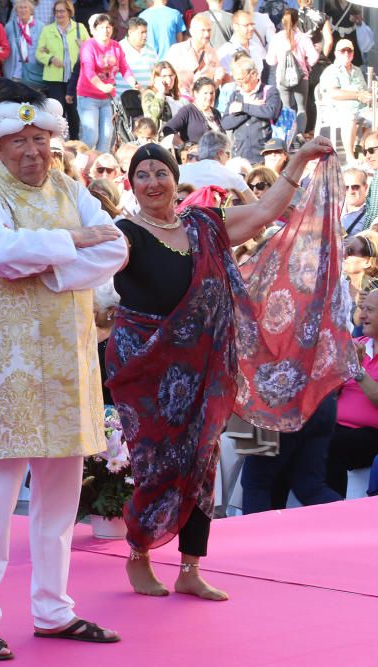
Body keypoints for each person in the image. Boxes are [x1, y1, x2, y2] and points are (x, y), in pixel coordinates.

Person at [106, 137, 345, 603]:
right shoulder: (122, 232)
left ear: (177, 180)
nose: (153, 182)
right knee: (153, 463)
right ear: (131, 184)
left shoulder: (203, 225)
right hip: (146, 368)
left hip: (204, 363)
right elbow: (88, 267)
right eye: (143, 174)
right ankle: (139, 553)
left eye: (161, 172)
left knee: (204, 460)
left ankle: (190, 568)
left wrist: (296, 162)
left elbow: (263, 212)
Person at [0, 78, 126, 661]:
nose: (32, 150)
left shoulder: (69, 187)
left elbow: (116, 249)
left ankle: (54, 609)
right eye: (20, 140)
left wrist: (49, 268)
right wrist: (72, 242)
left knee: (61, 496)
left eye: (41, 138)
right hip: (13, 366)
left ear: (54, 139)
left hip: (70, 359)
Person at [325, 288, 378, 497]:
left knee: (331, 444)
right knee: (296, 438)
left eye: (370, 310)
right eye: (362, 308)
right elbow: (333, 392)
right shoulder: (357, 346)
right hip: (338, 425)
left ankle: (333, 511)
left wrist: (357, 370)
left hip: (371, 433)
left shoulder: (357, 353)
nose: (362, 315)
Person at [77, 13, 138, 153]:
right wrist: (103, 87)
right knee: (91, 136)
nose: (106, 30)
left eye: (109, 27)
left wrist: (133, 82)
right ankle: (79, 165)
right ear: (95, 29)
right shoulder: (88, 46)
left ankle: (100, 169)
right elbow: (88, 71)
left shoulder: (116, 46)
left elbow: (124, 67)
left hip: (107, 99)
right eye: (102, 27)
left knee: (106, 137)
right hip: (88, 97)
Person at [36, 0, 86, 140]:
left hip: (75, 78)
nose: (59, 14)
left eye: (62, 11)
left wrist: (83, 47)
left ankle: (75, 140)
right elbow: (39, 53)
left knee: (74, 112)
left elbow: (90, 50)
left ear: (69, 12)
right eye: (57, 11)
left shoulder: (79, 28)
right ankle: (58, 141)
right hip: (54, 79)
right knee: (57, 112)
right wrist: (51, 58)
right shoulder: (48, 29)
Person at [318, 39, 372, 161]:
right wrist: (358, 95)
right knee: (350, 117)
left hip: (360, 108)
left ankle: (360, 149)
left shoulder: (357, 70)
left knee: (376, 116)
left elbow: (364, 90)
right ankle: (350, 157)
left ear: (353, 53)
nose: (346, 54)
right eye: (343, 51)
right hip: (338, 109)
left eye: (349, 51)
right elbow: (333, 93)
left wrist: (368, 95)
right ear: (336, 53)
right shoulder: (331, 71)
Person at [265, 8, 318, 134]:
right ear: (296, 21)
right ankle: (300, 135)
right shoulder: (303, 38)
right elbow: (314, 56)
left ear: (283, 21)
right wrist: (307, 64)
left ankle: (288, 135)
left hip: (282, 78)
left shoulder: (277, 38)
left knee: (286, 108)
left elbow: (271, 61)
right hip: (301, 77)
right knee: (301, 108)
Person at [221, 57, 282, 163]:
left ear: (253, 74)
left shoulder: (269, 91)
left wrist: (243, 107)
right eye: (236, 80)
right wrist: (249, 107)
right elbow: (226, 123)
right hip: (240, 157)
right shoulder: (236, 95)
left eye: (241, 79)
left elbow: (270, 112)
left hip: (264, 156)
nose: (238, 84)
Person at [178, 131, 257, 202]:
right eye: (228, 154)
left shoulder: (180, 171)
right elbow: (256, 205)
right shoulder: (232, 176)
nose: (228, 158)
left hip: (182, 217)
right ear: (220, 153)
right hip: (219, 217)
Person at [165, 15, 225, 99]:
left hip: (204, 103)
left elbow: (214, 85)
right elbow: (165, 76)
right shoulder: (176, 50)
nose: (207, 34)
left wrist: (218, 79)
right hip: (181, 101)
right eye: (203, 30)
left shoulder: (213, 53)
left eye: (209, 30)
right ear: (192, 31)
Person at [162, 77, 224, 145]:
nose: (209, 97)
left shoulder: (216, 113)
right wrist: (183, 147)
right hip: (196, 154)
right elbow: (168, 129)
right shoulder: (188, 111)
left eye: (212, 93)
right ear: (196, 93)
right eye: (205, 93)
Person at [218, 10, 267, 77]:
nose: (251, 28)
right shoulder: (226, 51)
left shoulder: (257, 47)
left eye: (252, 24)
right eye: (246, 25)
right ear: (235, 27)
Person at [116, 17, 157, 97]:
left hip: (146, 101)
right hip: (123, 101)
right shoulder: (118, 48)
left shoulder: (151, 49)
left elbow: (155, 74)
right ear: (130, 32)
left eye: (146, 32)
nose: (145, 35)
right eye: (141, 32)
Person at [142, 60, 183, 131]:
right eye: (164, 76)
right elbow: (152, 116)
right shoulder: (149, 94)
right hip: (159, 135)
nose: (169, 79)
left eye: (171, 76)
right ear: (155, 77)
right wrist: (161, 93)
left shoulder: (172, 94)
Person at [4, 0, 39, 80]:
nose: (23, 10)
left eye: (25, 7)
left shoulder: (40, 27)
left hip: (33, 75)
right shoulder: (9, 27)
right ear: (16, 11)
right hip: (14, 73)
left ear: (31, 11)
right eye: (20, 8)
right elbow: (4, 46)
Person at [342, 168, 370, 234]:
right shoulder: (333, 210)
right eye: (346, 187)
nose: (350, 191)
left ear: (365, 188)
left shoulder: (371, 215)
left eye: (355, 187)